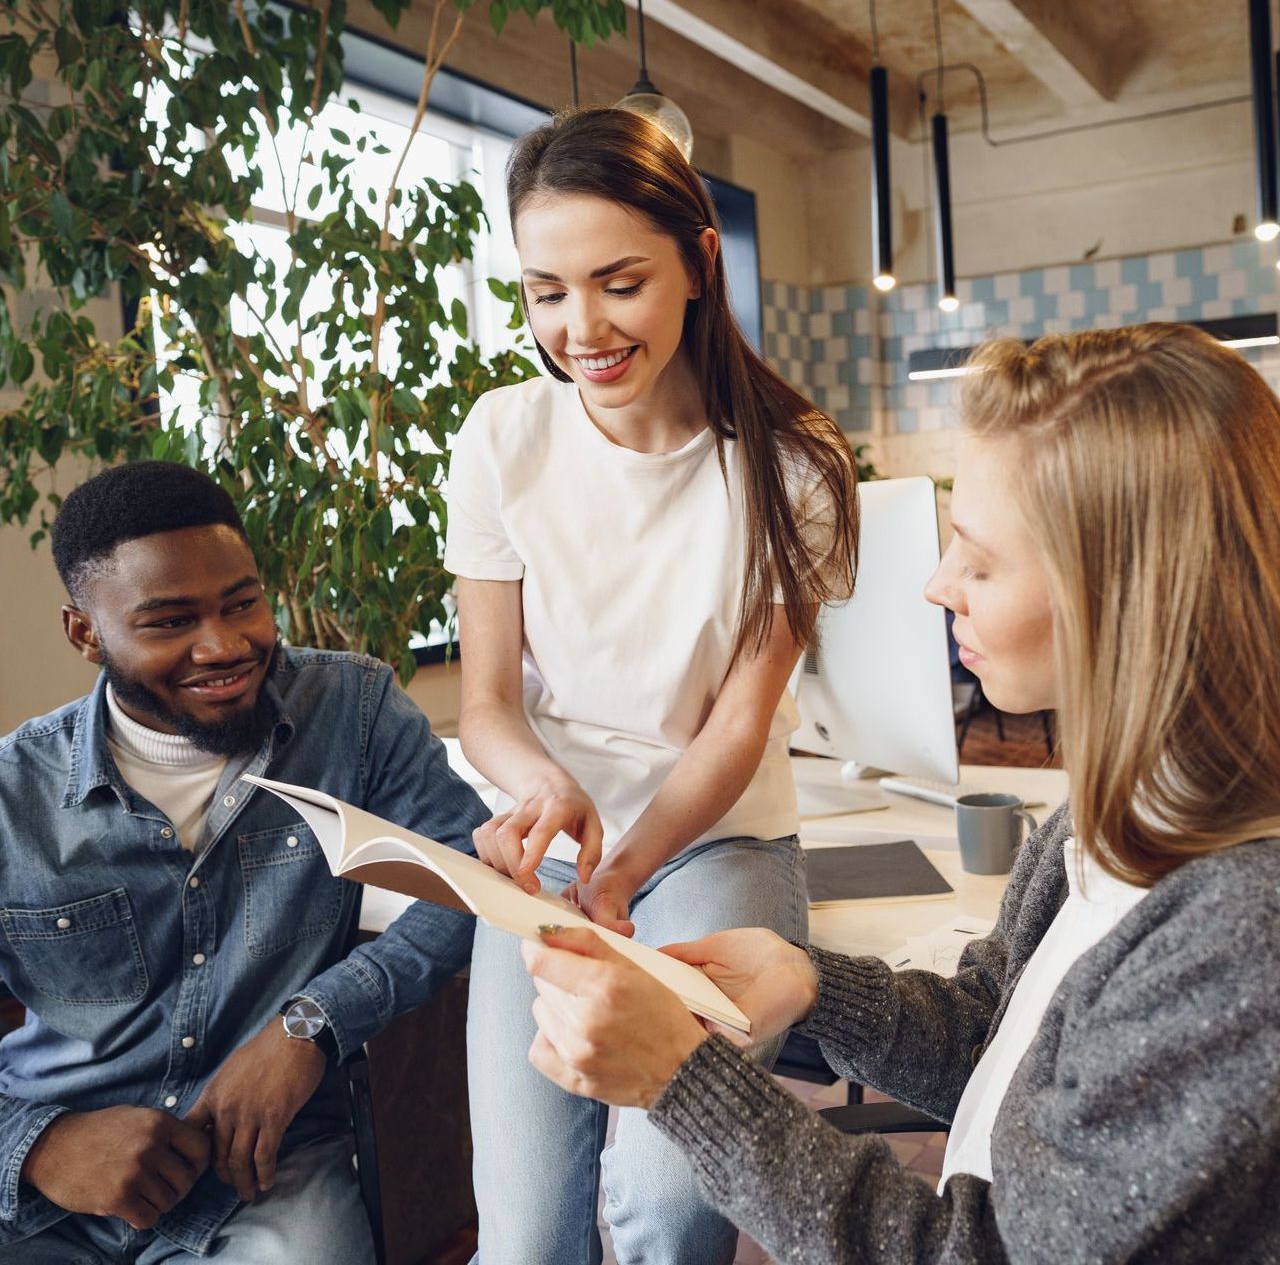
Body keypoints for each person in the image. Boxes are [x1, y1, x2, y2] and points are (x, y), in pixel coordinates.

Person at [519, 323, 1280, 1263]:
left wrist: (684, 1080)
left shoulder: (1239, 931)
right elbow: (992, 1042)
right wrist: (813, 984)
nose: (936, 585)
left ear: (1122, 593)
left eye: (980, 559)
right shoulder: (1111, 815)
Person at [443, 107, 859, 1264]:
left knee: (665, 1203)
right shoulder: (499, 439)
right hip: (549, 853)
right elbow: (486, 703)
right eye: (543, 292)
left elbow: (740, 719)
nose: (580, 328)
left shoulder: (791, 465)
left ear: (695, 260)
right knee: (526, 1234)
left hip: (716, 838)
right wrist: (546, 792)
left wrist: (627, 861)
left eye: (616, 281)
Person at [0, 460, 488, 1263]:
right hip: (48, 1191)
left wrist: (312, 1024)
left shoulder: (354, 713)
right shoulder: (17, 793)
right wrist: (41, 1145)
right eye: (169, 622)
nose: (224, 645)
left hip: (269, 1173)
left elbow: (471, 884)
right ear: (85, 633)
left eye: (243, 603)